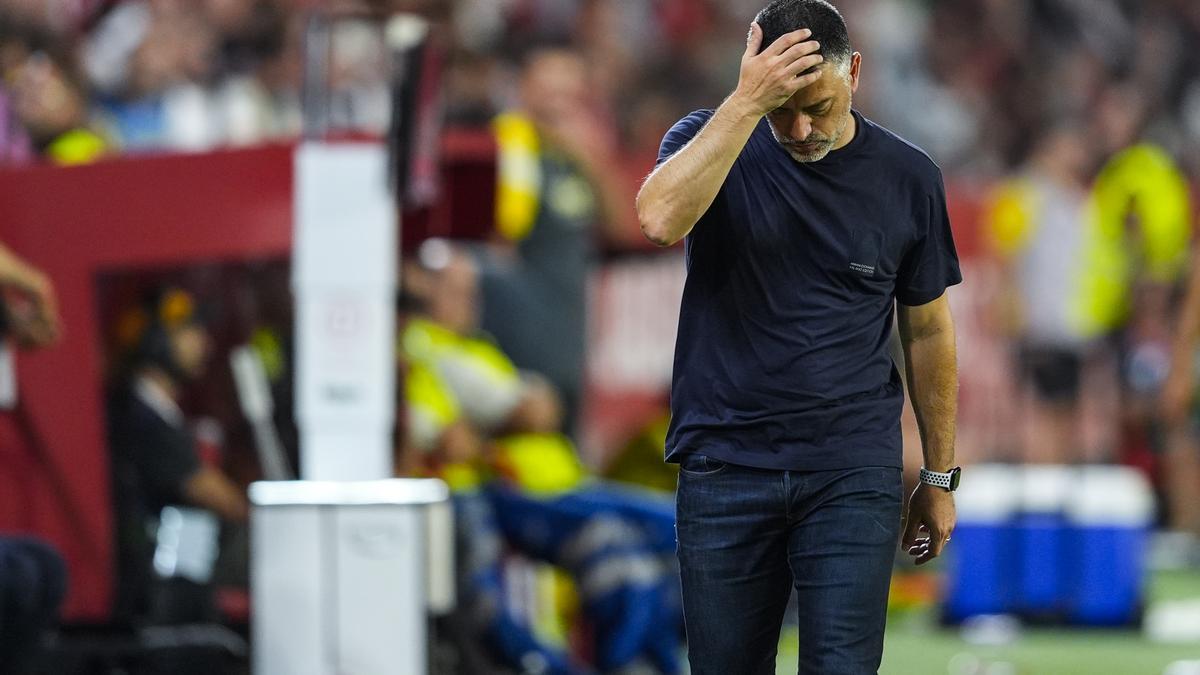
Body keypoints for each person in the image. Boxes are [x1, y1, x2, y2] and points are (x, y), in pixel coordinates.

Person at [636, 1, 962, 672]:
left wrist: (937, 473)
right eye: (784, 107)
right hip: (726, 464)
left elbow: (927, 327)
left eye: (818, 103)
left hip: (851, 469)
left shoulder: (908, 177)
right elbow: (659, 219)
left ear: (856, 73)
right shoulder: (710, 139)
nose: (802, 126)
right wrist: (746, 104)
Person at [107, 287, 248, 624]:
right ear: (154, 340)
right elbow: (214, 494)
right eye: (190, 331)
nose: (204, 343)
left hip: (170, 556)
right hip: (153, 572)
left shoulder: (154, 410)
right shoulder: (140, 415)